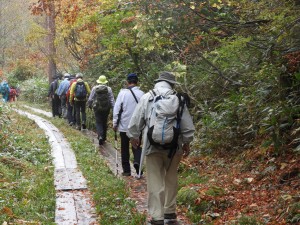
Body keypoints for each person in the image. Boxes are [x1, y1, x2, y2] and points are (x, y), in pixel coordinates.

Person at [127, 71, 195, 225]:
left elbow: (135, 121)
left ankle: (157, 217)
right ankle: (170, 213)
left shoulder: (147, 97)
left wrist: (134, 137)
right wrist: (186, 142)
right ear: (171, 84)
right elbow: (187, 125)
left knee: (155, 180)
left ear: (158, 82)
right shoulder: (178, 98)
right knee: (171, 178)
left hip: (152, 146)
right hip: (174, 146)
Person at [113, 73, 144, 176]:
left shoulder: (122, 94)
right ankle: (138, 164)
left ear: (127, 82)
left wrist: (114, 123)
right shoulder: (142, 94)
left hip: (124, 125)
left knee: (124, 147)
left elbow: (117, 109)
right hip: (138, 126)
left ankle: (126, 170)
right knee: (137, 145)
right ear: (137, 82)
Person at [87, 75, 115, 144]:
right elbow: (111, 99)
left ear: (98, 81)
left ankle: (100, 136)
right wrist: (113, 108)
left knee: (98, 122)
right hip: (106, 108)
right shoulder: (109, 89)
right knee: (104, 122)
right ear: (105, 81)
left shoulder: (94, 88)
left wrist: (89, 105)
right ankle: (104, 137)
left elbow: (90, 98)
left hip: (97, 108)